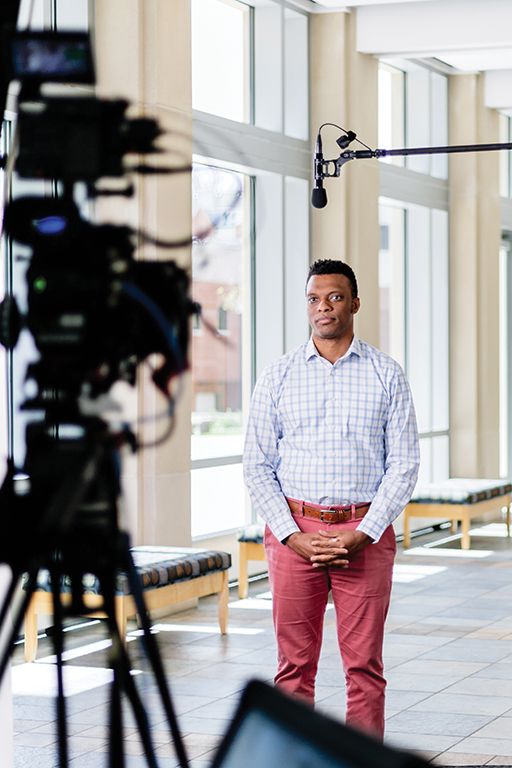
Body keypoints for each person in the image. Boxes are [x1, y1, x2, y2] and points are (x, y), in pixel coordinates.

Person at [243, 258, 419, 739]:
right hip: (293, 535)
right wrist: (290, 536)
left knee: (364, 668)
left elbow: (403, 464)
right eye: (314, 299)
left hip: (363, 534)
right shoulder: (277, 376)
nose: (324, 307)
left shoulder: (387, 374)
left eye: (335, 297)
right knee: (292, 668)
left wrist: (363, 534)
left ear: (355, 304)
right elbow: (256, 465)